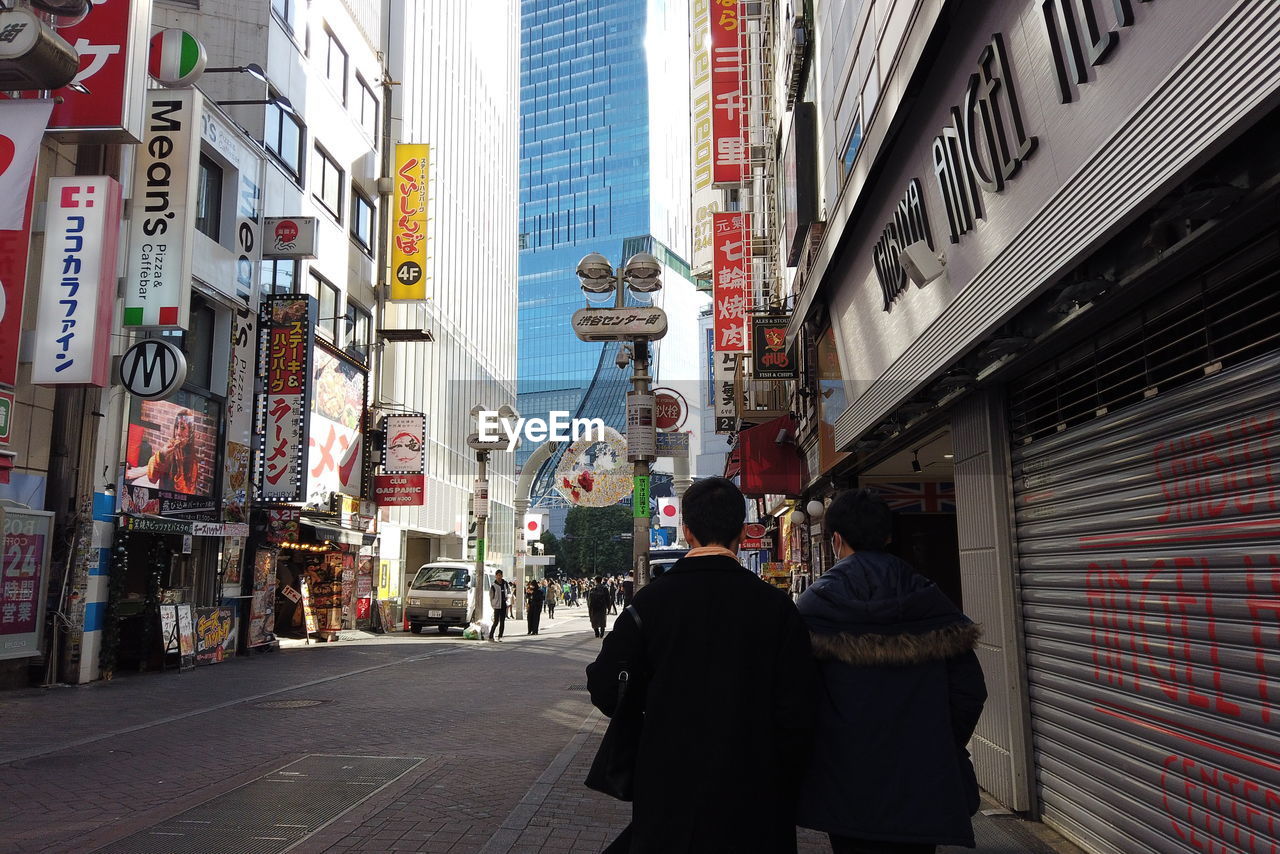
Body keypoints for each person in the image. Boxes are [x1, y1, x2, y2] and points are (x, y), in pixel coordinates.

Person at [586, 477, 815, 853]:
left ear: (687, 530)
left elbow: (604, 684)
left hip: (668, 777)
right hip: (755, 782)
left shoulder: (649, 604)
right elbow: (799, 707)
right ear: (742, 532)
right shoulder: (775, 607)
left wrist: (649, 711)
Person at [796, 489, 987, 854]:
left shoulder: (815, 606)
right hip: (921, 780)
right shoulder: (930, 599)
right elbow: (969, 692)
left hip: (845, 782)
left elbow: (796, 695)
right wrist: (937, 743)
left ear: (836, 540)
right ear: (887, 536)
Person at [488, 569, 508, 642]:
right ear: (496, 576)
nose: (499, 577)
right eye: (498, 575)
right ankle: (490, 636)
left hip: (503, 605)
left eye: (500, 575)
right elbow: (491, 596)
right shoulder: (493, 586)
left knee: (502, 621)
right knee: (496, 622)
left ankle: (500, 636)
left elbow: (508, 592)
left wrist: (507, 599)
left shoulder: (505, 583)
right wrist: (493, 604)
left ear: (502, 575)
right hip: (497, 606)